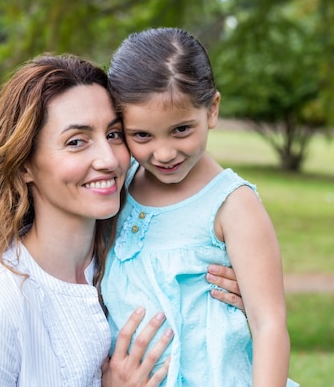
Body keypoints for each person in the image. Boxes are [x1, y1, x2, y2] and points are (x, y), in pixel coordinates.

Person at [0, 53, 243, 387]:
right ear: (24, 165)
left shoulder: (135, 263)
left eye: (114, 134)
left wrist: (228, 308)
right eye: (76, 142)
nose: (107, 159)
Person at [101, 27, 299, 387]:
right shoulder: (117, 185)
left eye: (181, 130)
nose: (163, 153)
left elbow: (269, 323)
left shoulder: (231, 204)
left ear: (212, 110)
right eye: (142, 135)